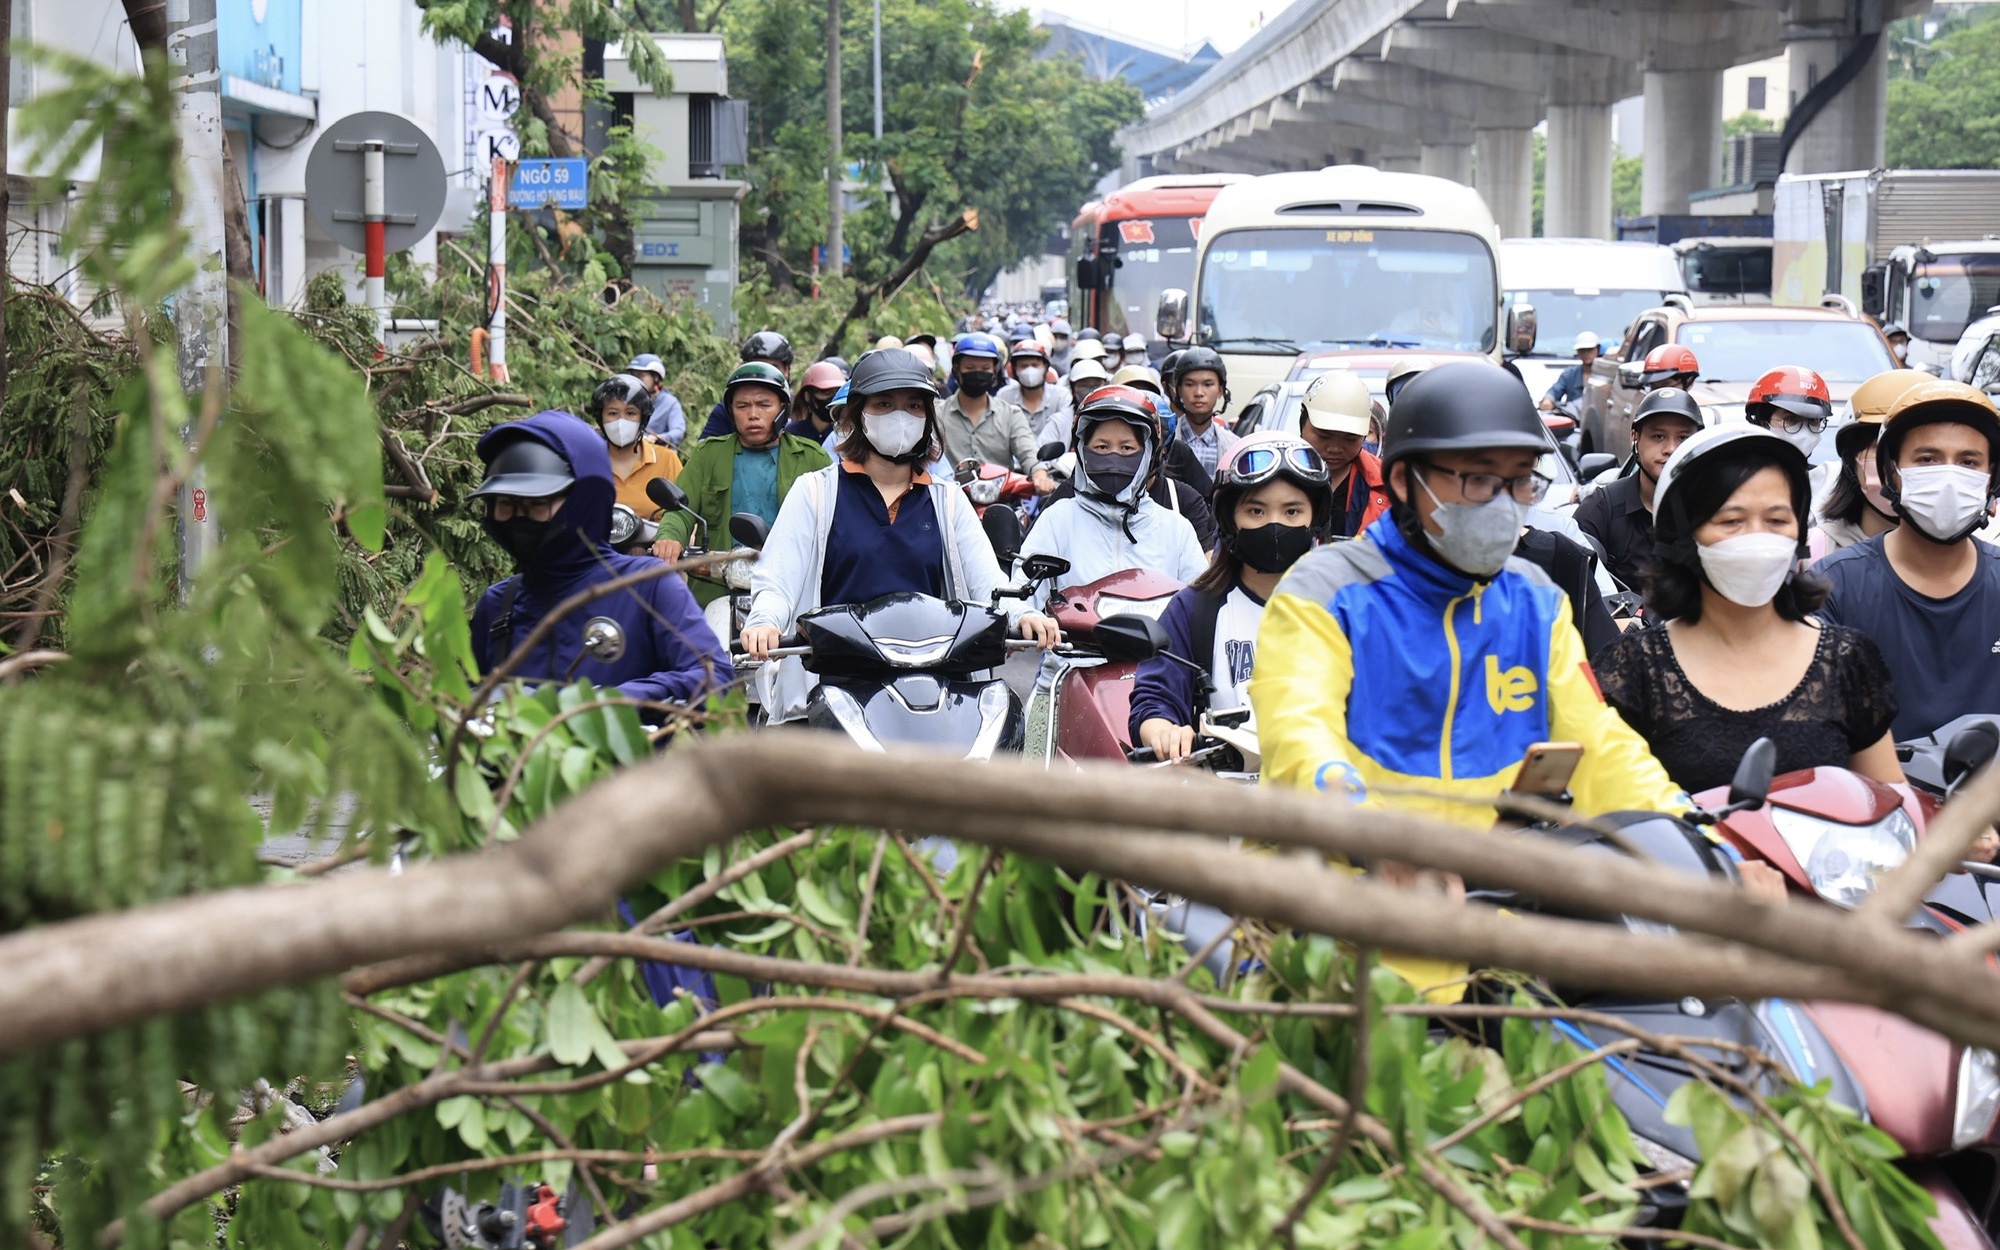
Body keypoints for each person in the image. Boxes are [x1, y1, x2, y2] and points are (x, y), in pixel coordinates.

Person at [1251, 361, 1688, 831]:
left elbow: (1601, 745)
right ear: (1403, 481)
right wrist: (1379, 842)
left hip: (1496, 890)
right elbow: (1301, 743)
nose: (1504, 503)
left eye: (1521, 480)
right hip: (1345, 885)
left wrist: (1693, 831)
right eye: (1478, 479)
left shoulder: (1536, 601)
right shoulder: (1321, 593)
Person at [1595, 425, 1903, 794]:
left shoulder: (1846, 661)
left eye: (1776, 521)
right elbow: (1605, 814)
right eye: (1731, 521)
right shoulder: (1633, 670)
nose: (1757, 538)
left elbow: (1889, 800)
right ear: (1682, 537)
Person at [738, 348, 1061, 668]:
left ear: (927, 418)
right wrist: (764, 621)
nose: (900, 416)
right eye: (884, 404)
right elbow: (778, 579)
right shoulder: (815, 492)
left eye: (913, 406)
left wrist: (1024, 613)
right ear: (857, 414)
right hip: (839, 674)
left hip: (935, 674)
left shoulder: (947, 499)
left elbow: (987, 582)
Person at [468, 411, 731, 712]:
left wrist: (605, 705)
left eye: (536, 505)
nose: (518, 520)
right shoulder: (500, 607)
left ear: (584, 500)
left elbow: (713, 679)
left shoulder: (645, 585)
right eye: (505, 506)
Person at [1814, 380, 2000, 742]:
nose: (1948, 477)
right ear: (1892, 474)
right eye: (1927, 459)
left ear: (1991, 477)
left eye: (1968, 462)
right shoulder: (1834, 587)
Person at [1131, 433, 1336, 761]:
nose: (1274, 524)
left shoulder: (1345, 609)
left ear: (1316, 518)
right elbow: (1155, 698)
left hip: (1327, 795)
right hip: (1223, 794)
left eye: (1292, 512)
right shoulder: (1194, 609)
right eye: (1256, 511)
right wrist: (1165, 731)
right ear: (1229, 520)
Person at [1015, 385, 1208, 608]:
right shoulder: (1057, 520)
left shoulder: (1177, 529)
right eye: (1102, 447)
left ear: (1148, 454)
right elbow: (1022, 593)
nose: (1113, 456)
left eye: (1126, 448)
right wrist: (1027, 617)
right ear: (1082, 450)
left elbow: (1199, 607)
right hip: (1069, 642)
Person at [656, 362, 832, 606]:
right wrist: (670, 538)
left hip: (792, 589)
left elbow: (835, 522)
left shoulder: (813, 458)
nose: (753, 414)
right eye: (742, 406)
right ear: (731, 411)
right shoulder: (708, 454)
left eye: (764, 405)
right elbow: (680, 509)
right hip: (716, 590)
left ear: (783, 409)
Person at [1573, 389, 1703, 591]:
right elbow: (1570, 585)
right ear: (1635, 437)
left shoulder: (1715, 510)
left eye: (1683, 438)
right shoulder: (1602, 509)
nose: (1671, 448)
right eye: (1658, 436)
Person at [1812, 368, 1929, 556]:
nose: (1900, 467)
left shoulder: (1975, 554)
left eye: (1926, 457)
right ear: (1851, 460)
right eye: (1884, 448)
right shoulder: (1816, 553)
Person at [939, 332, 1056, 492]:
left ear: (994, 371)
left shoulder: (1010, 414)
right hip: (950, 502)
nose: (978, 373)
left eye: (985, 368)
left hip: (1002, 503)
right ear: (957, 369)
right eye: (970, 368)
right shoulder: (937, 415)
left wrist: (1040, 475)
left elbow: (1029, 452)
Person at [1295, 371, 1388, 539]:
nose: (1335, 448)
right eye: (1324, 435)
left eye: (1350, 438)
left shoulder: (1389, 484)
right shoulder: (1272, 476)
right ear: (1302, 421)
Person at [591, 373, 684, 516]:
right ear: (600, 418)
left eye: (630, 413)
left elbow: (685, 516)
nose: (621, 421)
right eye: (612, 413)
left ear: (643, 419)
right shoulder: (587, 462)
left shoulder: (667, 460)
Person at [696, 330, 796, 441]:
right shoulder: (725, 410)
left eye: (765, 405)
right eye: (757, 367)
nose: (766, 374)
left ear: (786, 370)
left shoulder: (801, 408)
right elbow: (705, 449)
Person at [1173, 346, 1239, 477]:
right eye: (1190, 384)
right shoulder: (1164, 442)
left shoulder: (1234, 446)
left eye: (1208, 384)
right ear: (1178, 390)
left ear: (1221, 390)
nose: (1199, 393)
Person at [999, 339, 1072, 449]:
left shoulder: (1061, 397)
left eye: (1035, 365)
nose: (1029, 371)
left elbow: (1064, 435)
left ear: (1046, 368)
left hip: (1053, 463)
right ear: (1014, 370)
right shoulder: (1004, 396)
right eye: (1024, 366)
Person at [630, 353, 689, 449]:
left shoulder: (670, 403)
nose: (636, 380)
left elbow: (678, 431)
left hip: (658, 456)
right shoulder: (627, 401)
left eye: (641, 376)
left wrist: (658, 438)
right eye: (633, 376)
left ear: (656, 377)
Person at [786, 359, 849, 443]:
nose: (832, 399)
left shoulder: (846, 434)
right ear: (807, 396)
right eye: (826, 393)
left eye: (837, 393)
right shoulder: (792, 434)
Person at [1538, 332, 1601, 412]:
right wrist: (1548, 400)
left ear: (1598, 349)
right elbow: (1554, 391)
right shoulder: (1569, 375)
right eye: (1582, 350)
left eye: (1590, 350)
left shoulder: (1607, 374)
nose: (1586, 354)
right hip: (1574, 419)